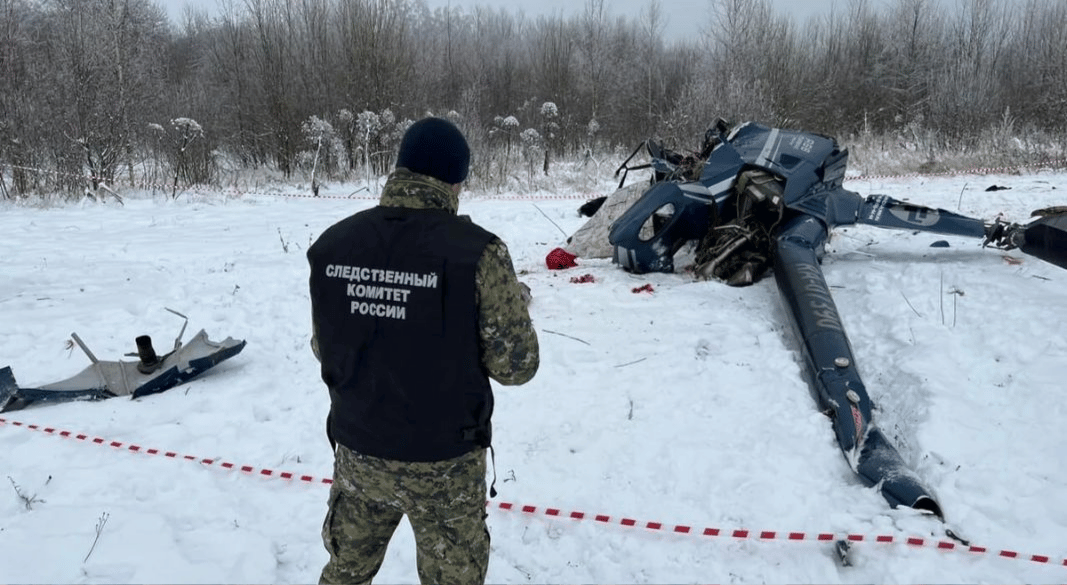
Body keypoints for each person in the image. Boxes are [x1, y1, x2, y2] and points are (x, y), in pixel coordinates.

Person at [307, 116, 540, 585]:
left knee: (344, 575)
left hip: (359, 453)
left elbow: (324, 345)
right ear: (457, 179)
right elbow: (517, 365)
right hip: (445, 467)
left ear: (401, 168)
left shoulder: (333, 245)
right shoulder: (477, 253)